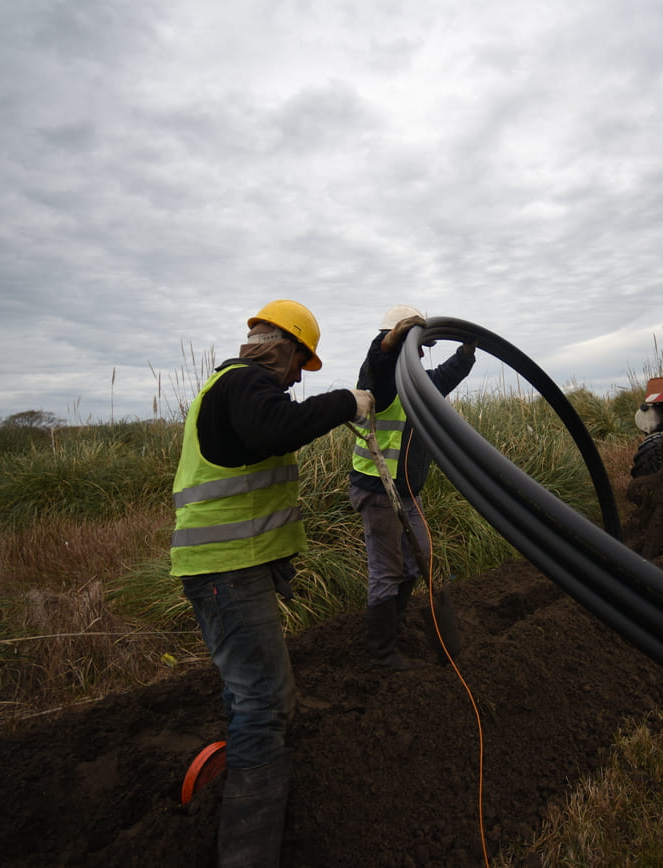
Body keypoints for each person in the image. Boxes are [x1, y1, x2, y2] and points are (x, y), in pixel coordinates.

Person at [171, 299, 373, 868]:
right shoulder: (244, 385)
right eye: (297, 367)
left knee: (255, 690)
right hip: (226, 572)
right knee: (262, 703)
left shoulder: (232, 390)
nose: (292, 382)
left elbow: (265, 441)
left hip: (232, 569)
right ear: (283, 352)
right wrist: (343, 402)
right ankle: (248, 851)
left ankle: (239, 767)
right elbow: (275, 428)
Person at [348, 305, 476, 670]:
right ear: (399, 342)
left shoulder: (418, 383)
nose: (420, 353)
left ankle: (395, 621)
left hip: (406, 490)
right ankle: (382, 654)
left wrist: (466, 353)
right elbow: (377, 365)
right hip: (378, 488)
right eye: (414, 344)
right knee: (387, 569)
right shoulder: (383, 379)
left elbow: (444, 377)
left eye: (421, 346)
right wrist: (388, 341)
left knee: (415, 559)